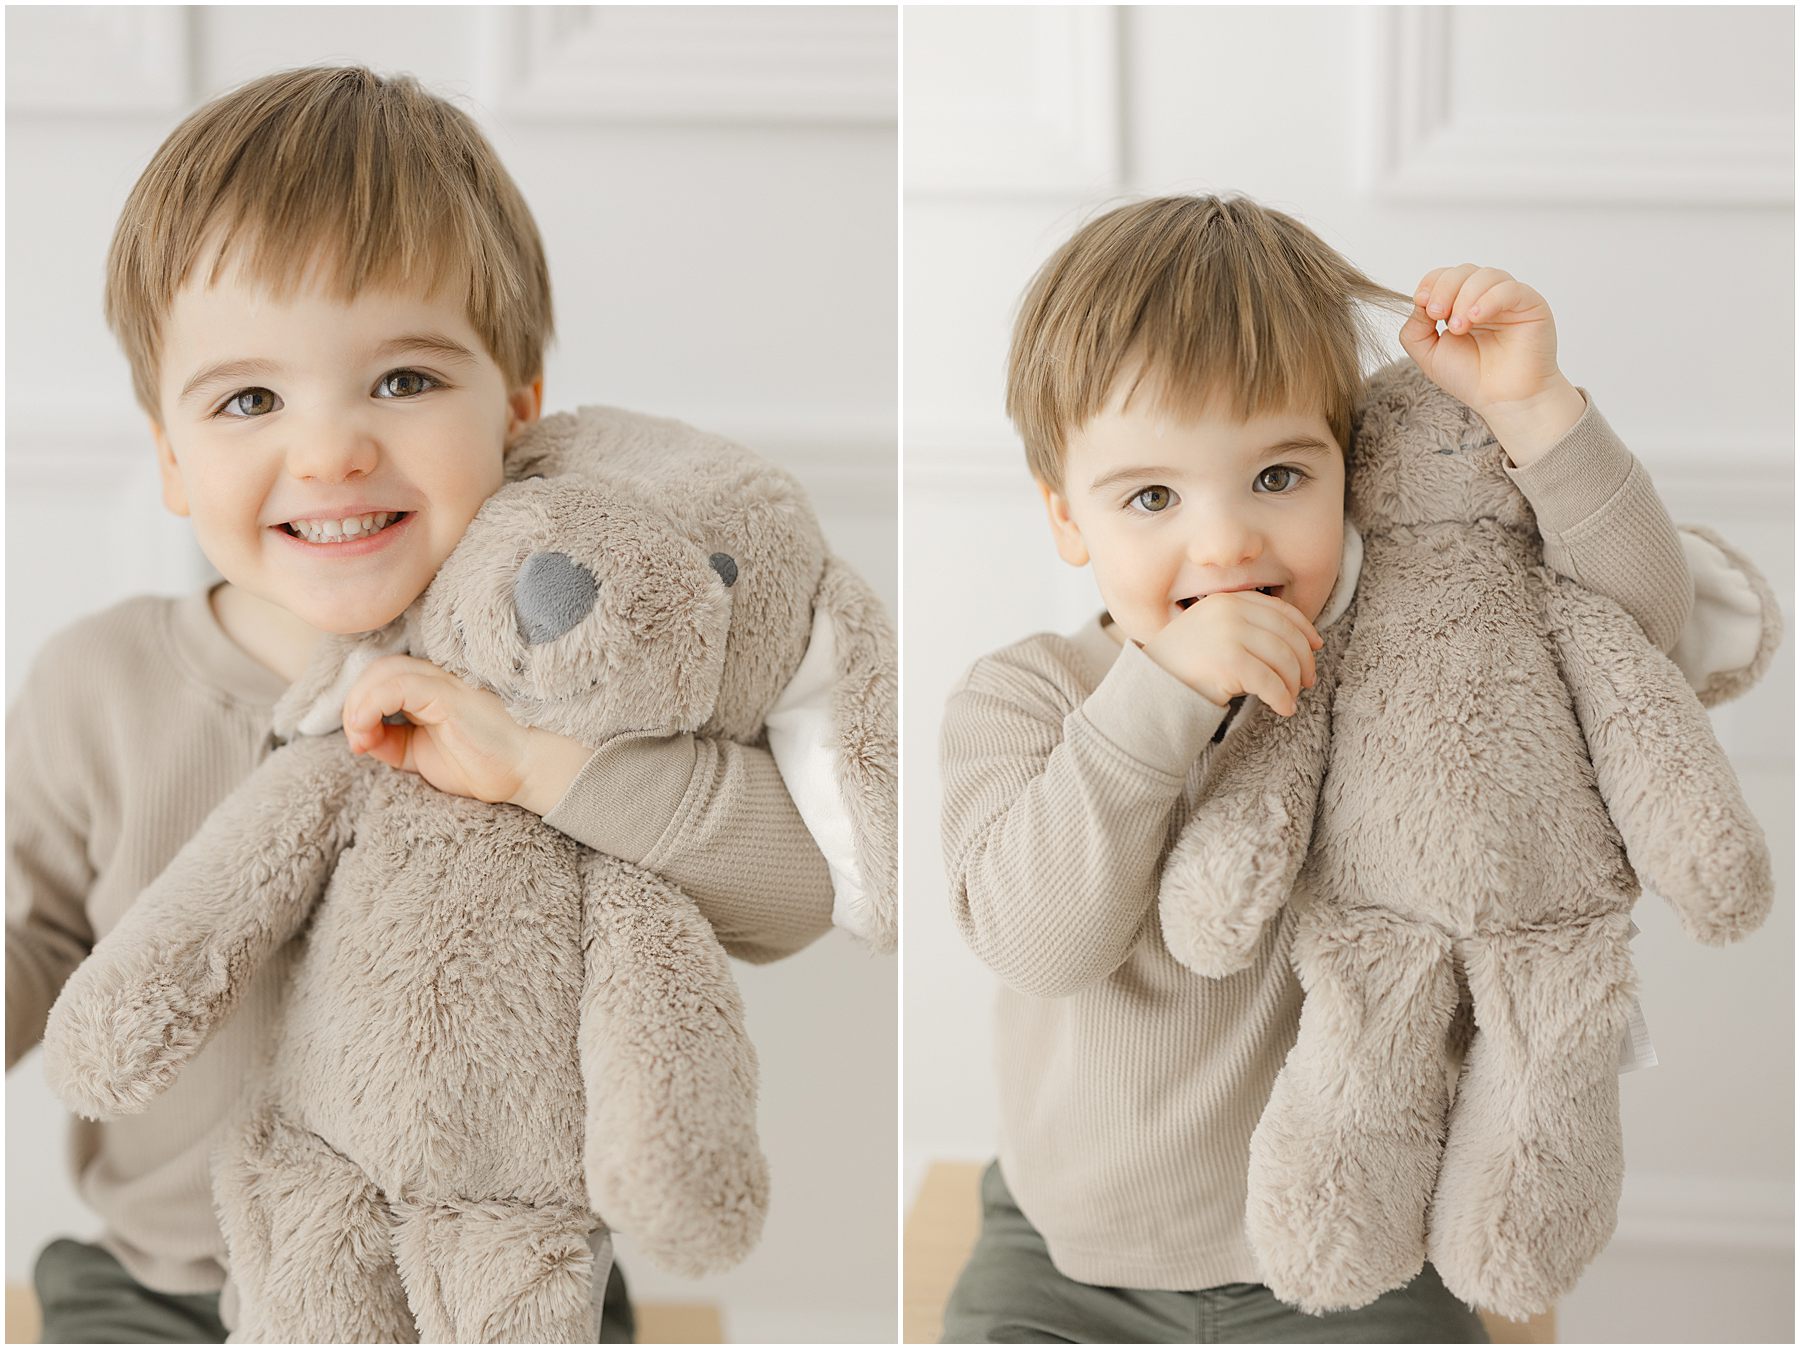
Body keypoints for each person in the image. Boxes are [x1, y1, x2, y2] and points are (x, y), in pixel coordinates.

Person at [6, 65, 835, 1344]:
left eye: (401, 381)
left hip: (492, 1274)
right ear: (171, 455)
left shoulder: (570, 660)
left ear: (517, 402)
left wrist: (548, 768)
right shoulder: (95, 686)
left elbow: (795, 894)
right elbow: (36, 943)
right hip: (161, 1287)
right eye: (248, 399)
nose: (331, 449)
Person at [937, 193, 1732, 1343]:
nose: (1224, 544)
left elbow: (1634, 624)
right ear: (1069, 519)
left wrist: (1534, 410)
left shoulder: (1388, 659)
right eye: (1153, 496)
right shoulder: (1027, 694)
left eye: (1277, 477)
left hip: (1355, 1233)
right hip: (1069, 1258)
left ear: (1348, 476)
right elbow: (1039, 942)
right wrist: (1160, 695)